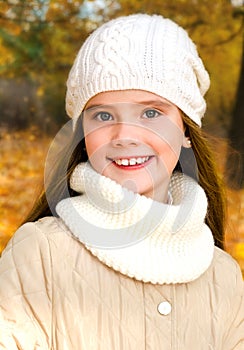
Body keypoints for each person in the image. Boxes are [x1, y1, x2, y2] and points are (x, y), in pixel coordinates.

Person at [0, 13, 243, 350]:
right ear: (83, 135)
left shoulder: (224, 278)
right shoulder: (40, 254)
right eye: (103, 115)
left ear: (186, 130)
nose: (125, 136)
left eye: (151, 113)